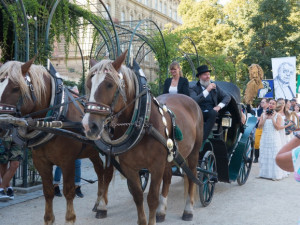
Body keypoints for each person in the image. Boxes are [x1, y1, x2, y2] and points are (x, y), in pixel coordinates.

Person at [190, 65, 231, 140]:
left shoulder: (215, 87)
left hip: (211, 113)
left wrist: (219, 106)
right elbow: (194, 100)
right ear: (199, 76)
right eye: (205, 74)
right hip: (198, 113)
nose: (208, 76)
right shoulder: (193, 89)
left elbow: (227, 97)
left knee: (213, 113)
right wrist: (207, 90)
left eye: (208, 74)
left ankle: (202, 139)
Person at [258, 99, 290, 180]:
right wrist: (265, 118)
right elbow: (259, 126)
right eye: (270, 103)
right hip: (265, 137)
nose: (271, 105)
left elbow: (278, 128)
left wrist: (272, 118)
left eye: (273, 104)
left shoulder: (278, 115)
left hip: (274, 138)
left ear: (276, 106)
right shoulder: (263, 114)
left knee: (274, 155)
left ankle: (275, 175)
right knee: (264, 154)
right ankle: (264, 174)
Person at [253, 98, 269, 163]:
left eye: (263, 102)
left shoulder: (270, 110)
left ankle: (265, 157)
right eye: (261, 102)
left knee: (266, 143)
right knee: (256, 143)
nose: (261, 103)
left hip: (267, 127)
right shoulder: (259, 110)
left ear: (267, 103)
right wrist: (257, 118)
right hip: (259, 127)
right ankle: (256, 157)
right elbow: (256, 118)